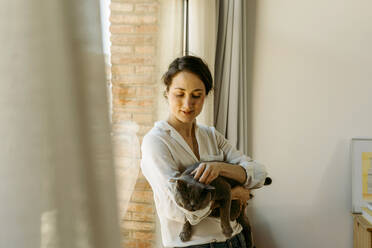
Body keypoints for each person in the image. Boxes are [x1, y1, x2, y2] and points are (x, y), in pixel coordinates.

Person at [140, 55, 267, 248]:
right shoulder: (156, 142)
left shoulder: (211, 136)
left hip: (237, 240)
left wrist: (219, 168)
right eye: (179, 94)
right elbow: (177, 208)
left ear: (206, 95)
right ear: (166, 92)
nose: (187, 104)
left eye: (196, 95)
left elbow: (258, 174)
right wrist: (233, 193)